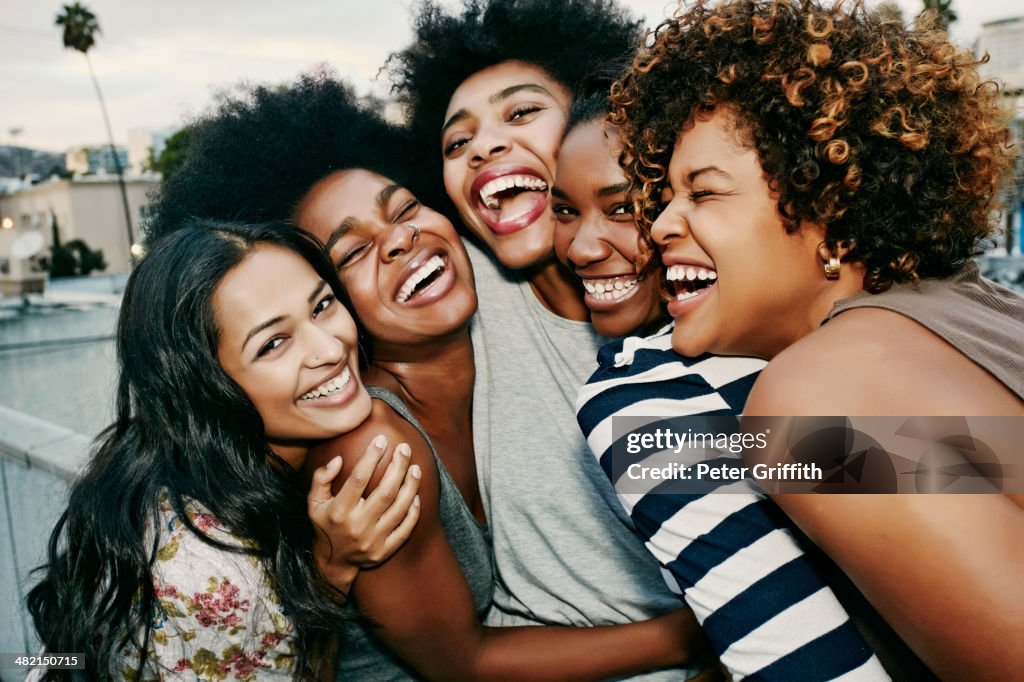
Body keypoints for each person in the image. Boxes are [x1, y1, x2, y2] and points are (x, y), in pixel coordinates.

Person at [145, 72, 708, 680]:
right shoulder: (370, 443)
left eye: (406, 209)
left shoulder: (560, 279)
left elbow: (804, 453)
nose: (400, 240)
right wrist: (704, 632)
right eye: (352, 253)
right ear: (333, 304)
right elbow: (461, 661)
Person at [613, 0, 1024, 678]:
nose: (659, 225)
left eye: (705, 194)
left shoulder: (807, 402)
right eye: (663, 198)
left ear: (830, 211)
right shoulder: (972, 313)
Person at [387, 8, 702, 677]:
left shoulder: (714, 305)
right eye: (455, 142)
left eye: (522, 112)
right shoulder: (462, 293)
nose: (483, 147)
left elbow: (929, 464)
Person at [554, 88, 888, 680]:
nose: (661, 226)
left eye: (626, 206)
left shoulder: (908, 324)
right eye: (563, 211)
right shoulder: (649, 397)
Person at [27, 221, 422, 680]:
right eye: (273, 344)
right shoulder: (206, 571)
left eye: (322, 306)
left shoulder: (202, 461)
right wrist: (331, 570)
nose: (330, 348)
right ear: (206, 387)